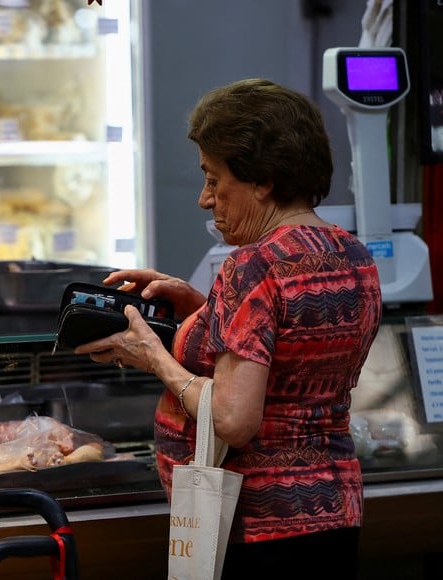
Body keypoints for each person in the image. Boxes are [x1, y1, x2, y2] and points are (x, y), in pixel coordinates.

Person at [75, 79, 382, 579]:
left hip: (258, 528)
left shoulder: (255, 264)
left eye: (215, 180)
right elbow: (286, 350)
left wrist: (153, 355)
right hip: (333, 512)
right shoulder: (353, 255)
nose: (204, 199)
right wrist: (200, 304)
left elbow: (234, 420)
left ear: (262, 180)